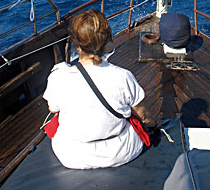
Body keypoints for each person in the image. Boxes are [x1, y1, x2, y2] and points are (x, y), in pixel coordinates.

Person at [43, 9, 158, 169]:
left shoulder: (58, 75)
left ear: (76, 44)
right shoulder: (123, 76)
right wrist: (152, 124)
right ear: (107, 41)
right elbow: (143, 115)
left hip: (72, 155)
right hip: (119, 152)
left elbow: (52, 107)